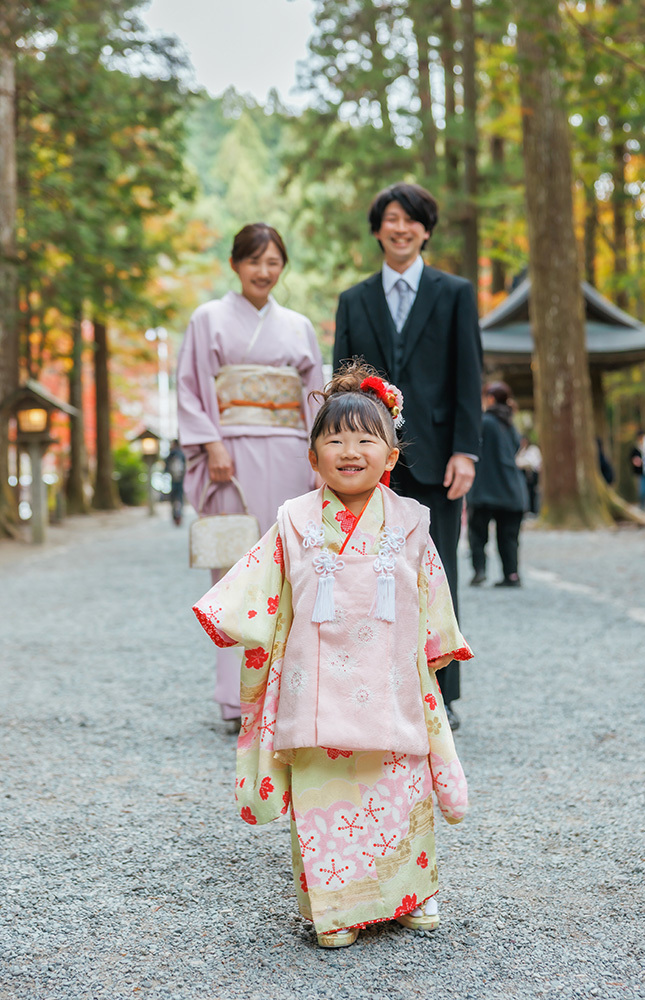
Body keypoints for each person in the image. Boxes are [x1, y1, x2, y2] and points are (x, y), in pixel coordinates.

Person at [192, 362, 472, 947]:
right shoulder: (293, 520)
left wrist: (436, 651)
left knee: (399, 789)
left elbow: (432, 594)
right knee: (326, 800)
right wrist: (229, 617)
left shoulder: (413, 522)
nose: (351, 450)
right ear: (313, 456)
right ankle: (337, 908)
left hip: (391, 683)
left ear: (391, 456)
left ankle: (412, 893)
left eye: (367, 439)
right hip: (314, 690)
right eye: (334, 439)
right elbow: (261, 587)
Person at [334, 182, 482, 731]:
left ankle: (441, 695)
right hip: (368, 466)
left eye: (411, 220)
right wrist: (341, 456)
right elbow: (342, 388)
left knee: (436, 575)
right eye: (391, 219)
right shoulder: (354, 300)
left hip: (438, 460)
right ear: (378, 229)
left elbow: (469, 375)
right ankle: (372, 689)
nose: (400, 228)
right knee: (367, 578)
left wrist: (467, 450)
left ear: (425, 229)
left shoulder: (455, 293)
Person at [177, 223, 324, 726]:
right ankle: (234, 696)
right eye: (255, 261)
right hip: (230, 458)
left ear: (283, 268)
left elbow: (314, 399)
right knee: (234, 572)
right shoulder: (208, 318)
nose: (264, 271)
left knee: (290, 572)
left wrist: (319, 456)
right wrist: (211, 442)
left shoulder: (299, 326)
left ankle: (285, 694)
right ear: (236, 264)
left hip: (287, 453)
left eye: (274, 262)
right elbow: (192, 387)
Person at [467, 382, 528, 588]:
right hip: (511, 488)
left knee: (478, 534)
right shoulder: (512, 426)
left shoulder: (484, 422)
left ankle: (479, 572)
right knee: (509, 537)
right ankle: (511, 575)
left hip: (485, 487)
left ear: (490, 399)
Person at [515, 435, 542, 515]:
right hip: (522, 473)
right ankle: (526, 509)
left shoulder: (533, 450)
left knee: (532, 491)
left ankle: (533, 510)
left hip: (531, 473)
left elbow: (533, 461)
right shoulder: (520, 450)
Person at [164, 439, 186, 526]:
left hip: (173, 480)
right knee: (180, 498)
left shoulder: (171, 454)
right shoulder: (182, 453)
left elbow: (166, 468)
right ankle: (179, 514)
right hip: (181, 479)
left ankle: (175, 515)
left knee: (173, 498)